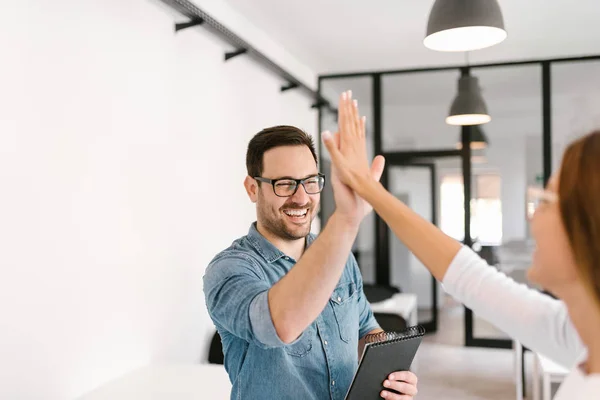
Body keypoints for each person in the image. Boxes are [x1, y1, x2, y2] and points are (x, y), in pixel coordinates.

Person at [322, 90, 600, 399]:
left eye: (545, 201)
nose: (532, 219)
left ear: (588, 228)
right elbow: (467, 275)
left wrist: (367, 191)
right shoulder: (578, 335)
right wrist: (368, 191)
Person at [203, 125, 418, 400]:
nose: (302, 197)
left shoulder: (340, 257)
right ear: (252, 188)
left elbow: (366, 327)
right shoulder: (229, 269)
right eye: (284, 184)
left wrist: (391, 371)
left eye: (310, 181)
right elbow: (278, 325)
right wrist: (346, 220)